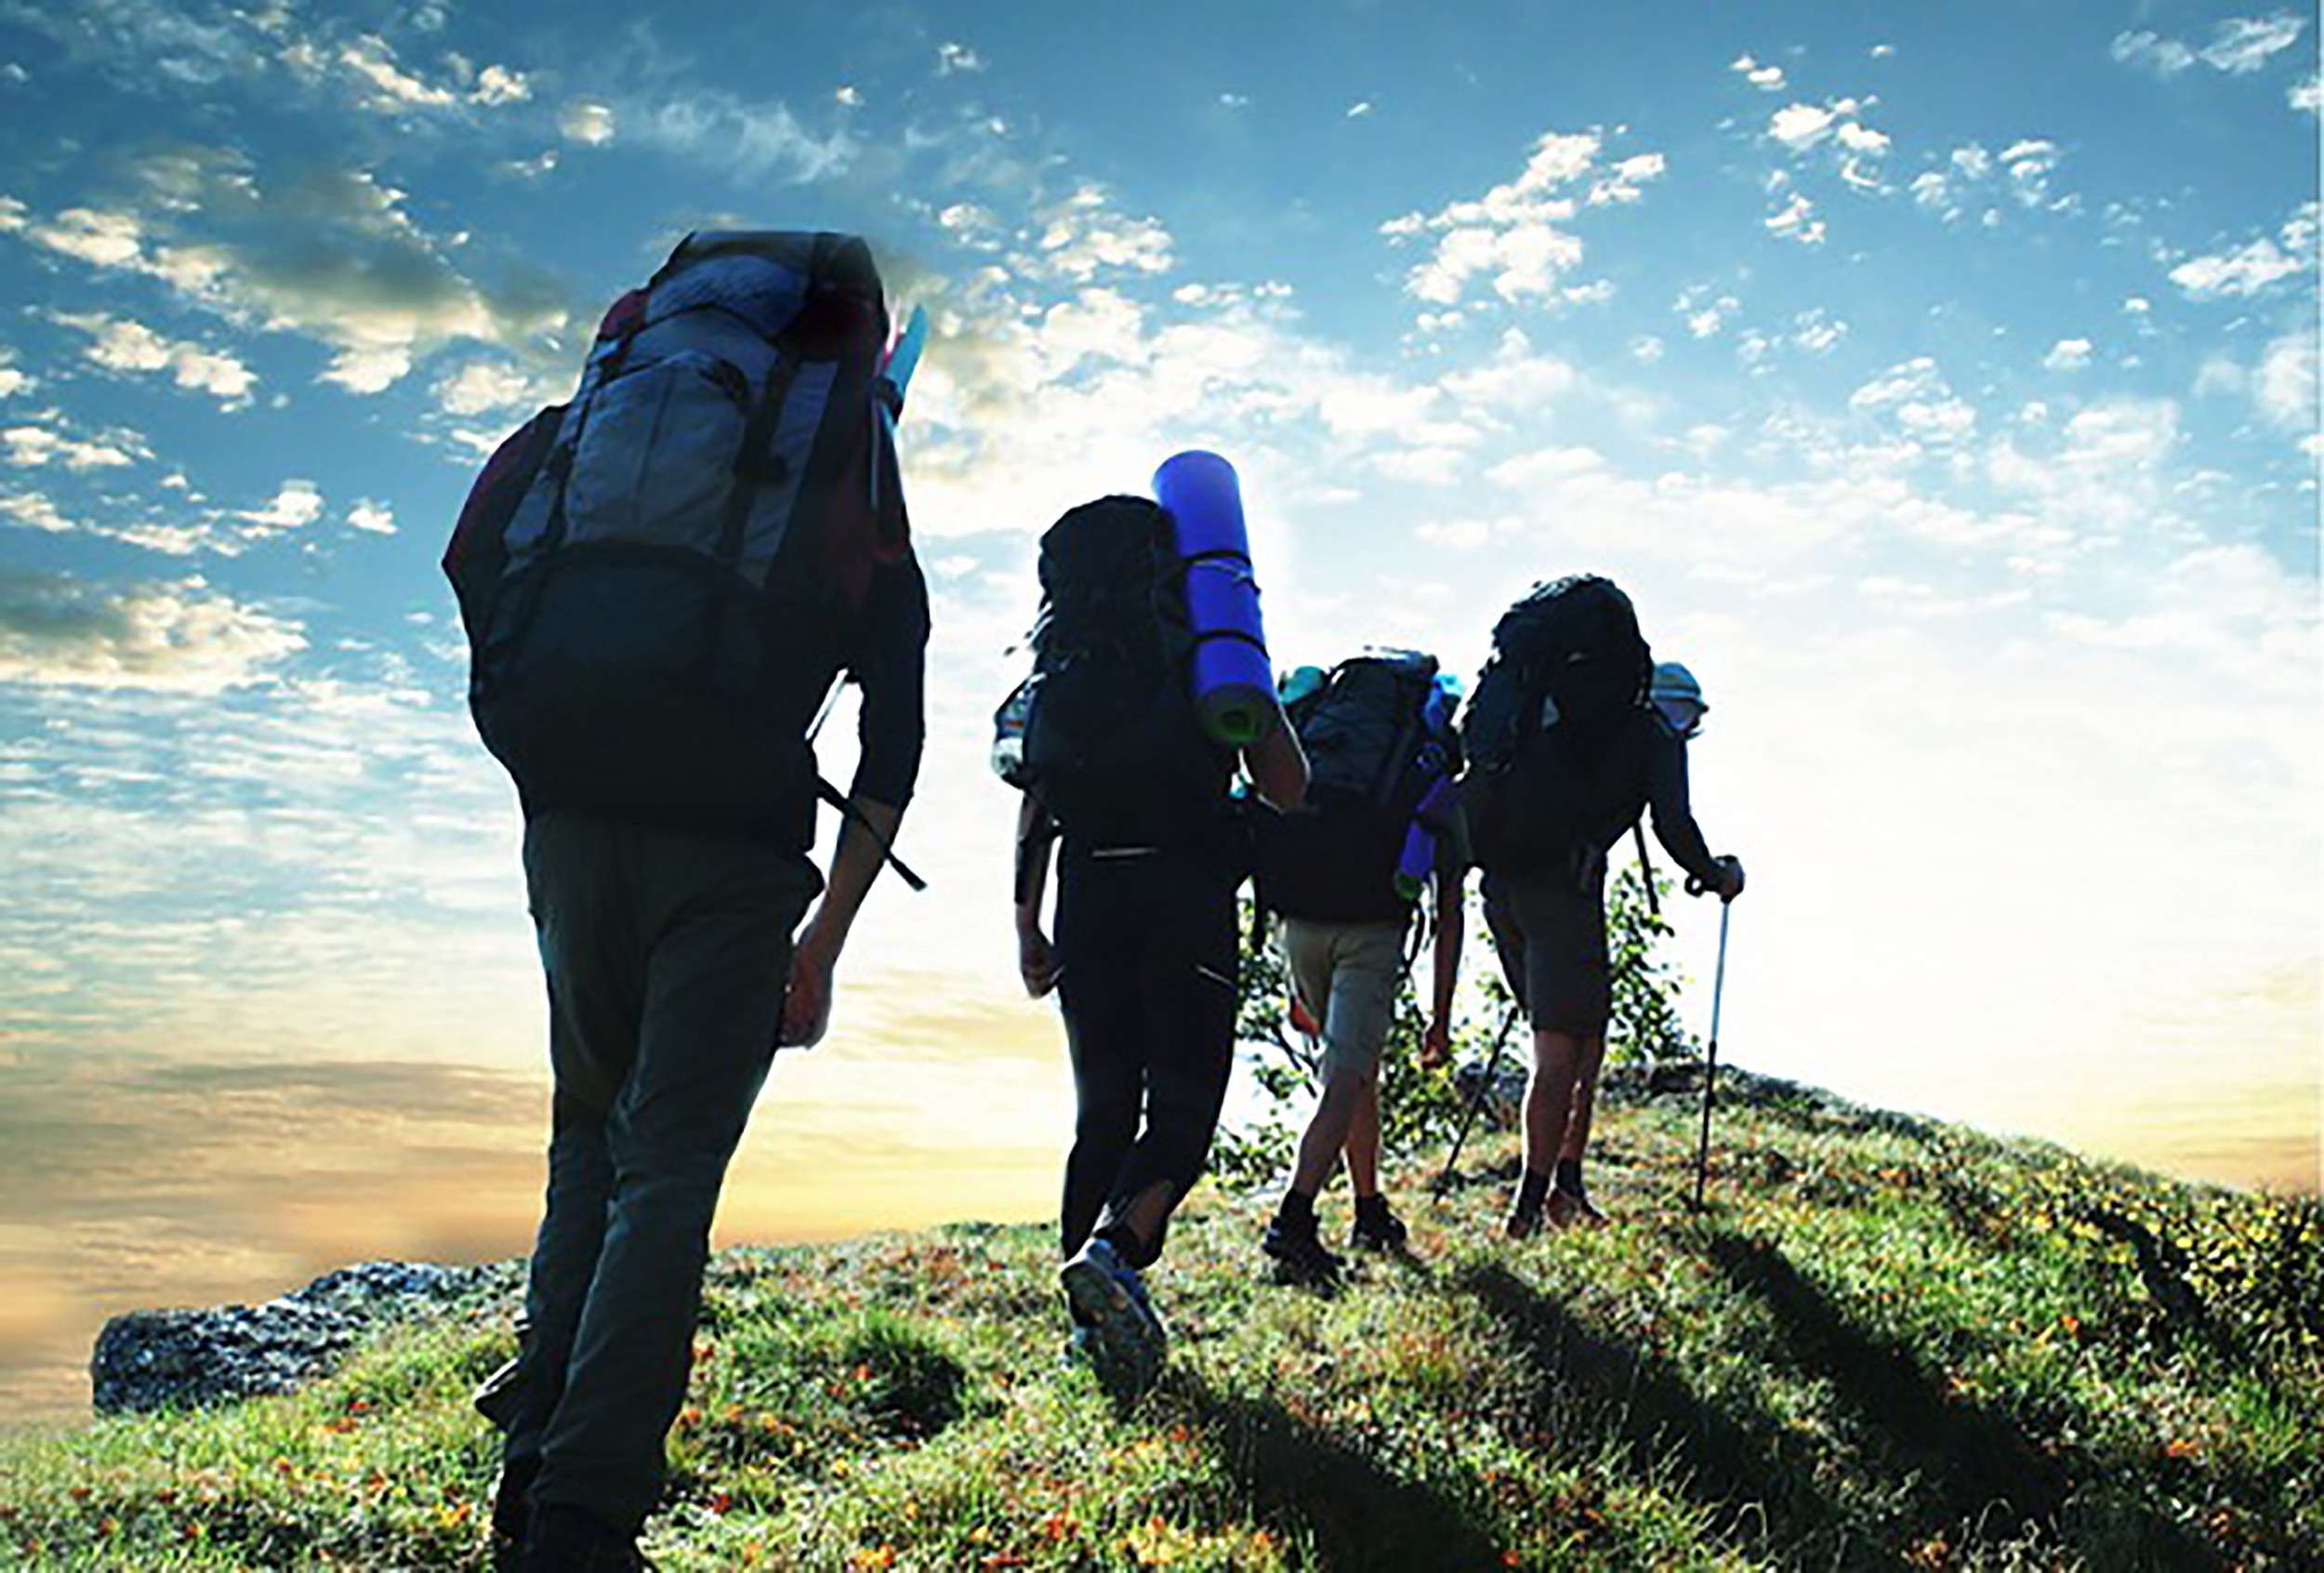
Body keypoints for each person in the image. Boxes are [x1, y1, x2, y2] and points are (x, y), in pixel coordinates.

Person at [448, 233, 931, 1573]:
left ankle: (529, 1474)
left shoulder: (595, 414)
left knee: (586, 1143)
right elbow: (895, 731)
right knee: (665, 1178)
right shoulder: (846, 458)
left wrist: (545, 735)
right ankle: (584, 1523)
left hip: (568, 821)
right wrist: (822, 943)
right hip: (729, 854)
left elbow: (472, 551)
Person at [1007, 494, 1308, 1397]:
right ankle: (1116, 1249)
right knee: (1180, 1109)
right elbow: (1289, 789)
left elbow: (1036, 802)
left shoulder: (1056, 670)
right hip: (1185, 895)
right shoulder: (1208, 658)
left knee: (1100, 1115)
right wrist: (1252, 699)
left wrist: (1025, 922)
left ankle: (1085, 1335)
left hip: (1086, 896)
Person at [1486, 658, 1742, 1236]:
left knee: (1585, 1041)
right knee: (1560, 1052)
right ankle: (1531, 1206)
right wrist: (1715, 873)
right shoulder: (1653, 734)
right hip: (1562, 895)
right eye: (1689, 719)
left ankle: (1565, 1187)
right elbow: (1672, 823)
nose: (1687, 729)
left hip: (1503, 888)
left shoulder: (1564, 727)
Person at [1251, 654, 1467, 1282]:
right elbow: (1448, 902)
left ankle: (1368, 1208)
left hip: (1298, 922)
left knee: (1354, 1071)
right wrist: (1441, 1018)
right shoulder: (1426, 753)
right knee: (1344, 1078)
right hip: (1370, 929)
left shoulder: (1325, 731)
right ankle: (1292, 1221)